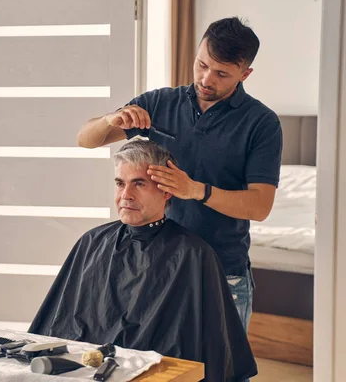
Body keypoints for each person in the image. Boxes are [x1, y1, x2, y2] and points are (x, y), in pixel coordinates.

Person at [76, 17, 282, 333]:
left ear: (245, 74)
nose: (206, 78)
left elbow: (259, 207)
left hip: (222, 276)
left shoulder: (262, 124)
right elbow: (86, 139)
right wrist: (111, 119)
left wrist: (196, 190)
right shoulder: (160, 103)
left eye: (222, 73)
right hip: (154, 269)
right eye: (202, 64)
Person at [28, 140, 257, 382]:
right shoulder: (92, 242)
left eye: (139, 184)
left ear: (166, 190)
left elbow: (210, 350)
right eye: (120, 184)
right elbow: (57, 324)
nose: (126, 195)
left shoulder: (193, 254)